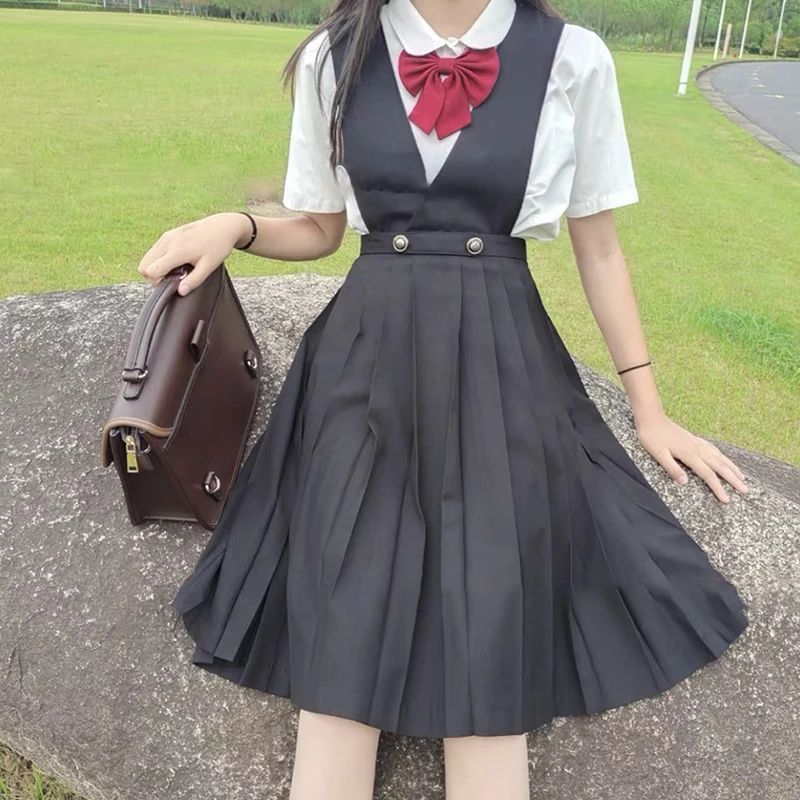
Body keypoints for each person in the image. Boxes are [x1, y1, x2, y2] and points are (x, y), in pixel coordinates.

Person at [137, 0, 751, 797]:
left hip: (504, 368)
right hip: (362, 370)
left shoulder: (573, 58)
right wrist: (238, 224)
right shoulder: (337, 55)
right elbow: (323, 227)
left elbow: (598, 247)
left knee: (490, 633)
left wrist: (650, 410)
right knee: (341, 636)